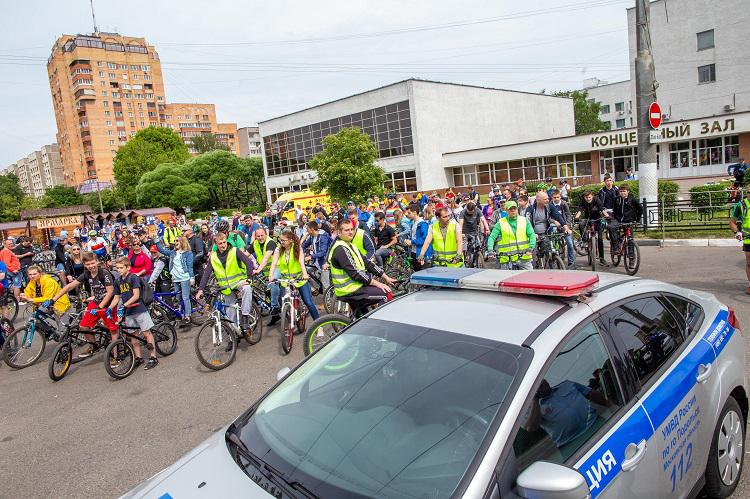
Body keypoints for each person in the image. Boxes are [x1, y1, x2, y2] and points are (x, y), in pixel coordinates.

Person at [53, 251, 118, 358]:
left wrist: (100, 307)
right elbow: (69, 286)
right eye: (87, 264)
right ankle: (93, 345)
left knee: (113, 331)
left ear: (97, 262)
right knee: (83, 326)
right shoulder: (86, 274)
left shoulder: (104, 273)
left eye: (93, 263)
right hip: (97, 302)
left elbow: (110, 292)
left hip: (109, 304)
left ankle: (116, 356)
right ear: (84, 265)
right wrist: (53, 299)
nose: (91, 266)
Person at [328, 218, 395, 318]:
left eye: (352, 229)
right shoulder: (341, 249)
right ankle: (382, 327)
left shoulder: (350, 245)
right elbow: (356, 274)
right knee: (386, 293)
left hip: (354, 288)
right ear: (339, 232)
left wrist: (385, 277)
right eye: (347, 230)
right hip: (351, 290)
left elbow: (367, 263)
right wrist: (378, 283)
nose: (351, 232)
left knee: (364, 316)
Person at [525, 379, 612, 448]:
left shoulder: (567, 384)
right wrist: (535, 399)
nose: (541, 384)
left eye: (541, 380)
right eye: (537, 385)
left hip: (597, 425)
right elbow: (532, 427)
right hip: (572, 446)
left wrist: (612, 406)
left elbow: (591, 394)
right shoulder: (534, 408)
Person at [196, 232, 255, 325]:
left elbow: (249, 263)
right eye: (220, 243)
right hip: (225, 287)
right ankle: (234, 334)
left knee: (247, 288)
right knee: (230, 316)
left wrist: (249, 278)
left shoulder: (235, 251)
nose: (223, 245)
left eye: (224, 242)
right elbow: (206, 274)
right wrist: (200, 290)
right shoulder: (213, 257)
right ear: (216, 244)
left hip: (239, 282)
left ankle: (245, 316)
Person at [110, 256, 158, 370]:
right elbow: (116, 297)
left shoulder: (133, 278)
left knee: (147, 333)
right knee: (133, 335)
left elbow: (136, 295)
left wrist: (124, 305)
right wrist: (110, 308)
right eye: (117, 268)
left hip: (139, 309)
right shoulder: (117, 281)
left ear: (128, 267)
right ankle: (138, 357)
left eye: (121, 268)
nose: (119, 270)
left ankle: (153, 357)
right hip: (129, 312)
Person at [268, 229, 319, 321]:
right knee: (283, 301)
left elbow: (301, 262)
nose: (281, 242)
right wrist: (271, 275)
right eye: (281, 240)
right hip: (285, 281)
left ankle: (319, 325)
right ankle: (289, 317)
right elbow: (274, 263)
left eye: (284, 240)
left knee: (308, 302)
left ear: (290, 240)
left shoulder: (297, 248)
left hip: (299, 279)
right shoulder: (278, 249)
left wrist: (305, 274)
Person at [155, 237, 194, 325]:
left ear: (182, 242)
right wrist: (156, 239)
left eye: (177, 241)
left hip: (185, 277)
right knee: (178, 297)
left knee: (185, 297)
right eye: (175, 241)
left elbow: (190, 266)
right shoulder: (173, 253)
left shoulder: (188, 253)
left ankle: (188, 316)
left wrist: (192, 278)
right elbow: (162, 250)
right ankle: (182, 313)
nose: (175, 242)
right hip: (176, 279)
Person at [486, 200, 536, 270]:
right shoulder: (500, 223)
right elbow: (492, 237)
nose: (513, 211)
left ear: (517, 209)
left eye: (514, 208)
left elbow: (532, 235)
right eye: (510, 209)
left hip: (524, 257)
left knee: (529, 277)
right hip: (507, 258)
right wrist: (490, 250)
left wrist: (531, 248)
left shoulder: (524, 221)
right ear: (506, 210)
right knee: (506, 279)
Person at [250, 227, 282, 326]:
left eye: (262, 235)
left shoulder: (270, 242)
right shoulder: (255, 243)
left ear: (266, 234)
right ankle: (276, 316)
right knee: (265, 291)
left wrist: (258, 269)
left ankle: (275, 307)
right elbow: (245, 254)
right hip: (266, 271)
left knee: (273, 284)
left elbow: (266, 258)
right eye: (258, 236)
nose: (260, 237)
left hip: (277, 268)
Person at [575, 190, 609, 266]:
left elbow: (601, 209)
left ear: (592, 196)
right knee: (581, 224)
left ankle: (602, 258)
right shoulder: (583, 201)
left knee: (600, 239)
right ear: (584, 197)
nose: (588, 199)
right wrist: (577, 217)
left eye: (589, 197)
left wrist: (607, 215)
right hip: (587, 219)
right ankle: (585, 241)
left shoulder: (597, 200)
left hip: (597, 219)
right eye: (587, 197)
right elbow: (580, 210)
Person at [608, 184, 643, 253]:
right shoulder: (617, 199)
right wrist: (614, 219)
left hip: (629, 221)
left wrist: (637, 220)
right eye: (621, 191)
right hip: (618, 220)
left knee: (630, 239)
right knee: (610, 227)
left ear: (628, 191)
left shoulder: (632, 199)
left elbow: (640, 209)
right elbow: (614, 210)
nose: (622, 193)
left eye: (624, 191)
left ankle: (631, 257)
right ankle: (615, 246)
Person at [301, 221, 331, 294]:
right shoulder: (312, 236)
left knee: (325, 285)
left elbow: (323, 252)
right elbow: (304, 245)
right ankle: (315, 289)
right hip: (316, 262)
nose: (306, 231)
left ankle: (328, 304)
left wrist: (310, 256)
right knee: (303, 272)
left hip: (324, 262)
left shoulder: (323, 237)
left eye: (307, 229)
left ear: (311, 229)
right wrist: (299, 251)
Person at [551, 190, 576, 268]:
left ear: (560, 197)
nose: (556, 199)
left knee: (570, 244)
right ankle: (554, 255)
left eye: (558, 197)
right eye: (554, 197)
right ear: (552, 198)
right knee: (552, 238)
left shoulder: (564, 204)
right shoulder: (549, 205)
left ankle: (571, 264)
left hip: (565, 226)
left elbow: (568, 215)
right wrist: (554, 221)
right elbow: (548, 217)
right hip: (554, 225)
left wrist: (567, 226)